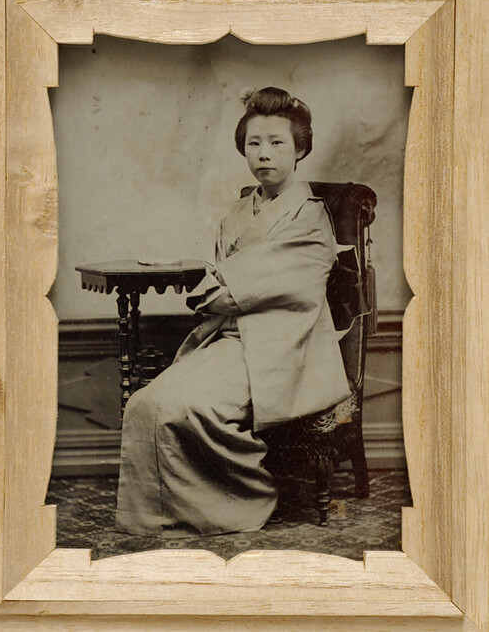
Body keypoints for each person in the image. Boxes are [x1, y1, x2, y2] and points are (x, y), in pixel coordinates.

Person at [115, 86, 351, 537]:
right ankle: (161, 515)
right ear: (243, 150)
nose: (264, 154)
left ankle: (246, 500)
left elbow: (247, 288)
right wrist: (222, 289)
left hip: (283, 347)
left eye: (277, 143)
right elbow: (219, 283)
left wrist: (223, 289)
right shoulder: (238, 212)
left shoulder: (311, 217)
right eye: (254, 144)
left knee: (187, 406)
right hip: (230, 339)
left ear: (300, 149)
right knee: (146, 404)